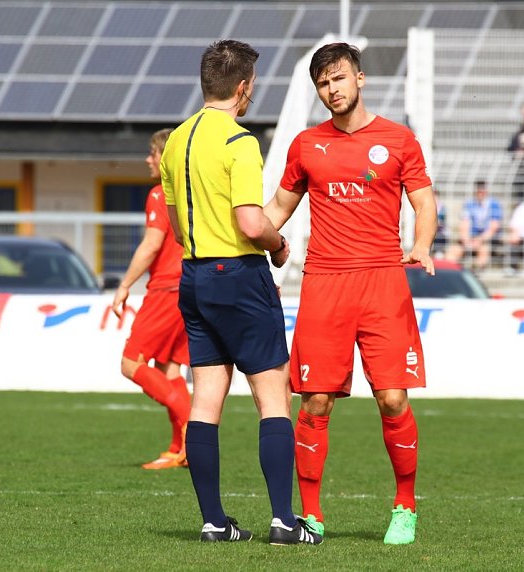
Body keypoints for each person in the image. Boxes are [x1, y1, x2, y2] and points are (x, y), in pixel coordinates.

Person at [264, 42, 436, 545]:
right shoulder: (305, 145)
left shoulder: (399, 140)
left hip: (383, 281)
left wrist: (421, 244)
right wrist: (246, 242)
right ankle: (310, 517)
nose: (331, 89)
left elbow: (424, 202)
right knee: (315, 402)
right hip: (324, 282)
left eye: (338, 78)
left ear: (359, 79)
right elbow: (278, 207)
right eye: (322, 83)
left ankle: (405, 505)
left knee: (392, 398)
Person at [161, 39, 321, 546]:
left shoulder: (174, 142)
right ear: (244, 87)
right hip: (240, 275)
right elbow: (252, 222)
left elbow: (175, 222)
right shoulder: (238, 141)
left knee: (206, 399)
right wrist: (278, 246)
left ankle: (214, 522)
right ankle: (283, 521)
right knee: (273, 395)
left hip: (194, 275)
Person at [111, 128, 190, 471]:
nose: (148, 159)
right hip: (190, 286)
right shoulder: (192, 194)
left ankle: (192, 428)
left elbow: (152, 244)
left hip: (167, 289)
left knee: (131, 363)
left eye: (153, 153)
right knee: (170, 370)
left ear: (166, 157)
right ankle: (180, 448)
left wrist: (125, 285)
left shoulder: (161, 195)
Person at [445, 179, 503, 270]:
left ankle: (475, 272)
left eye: (482, 191)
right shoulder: (469, 204)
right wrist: (466, 240)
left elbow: (493, 227)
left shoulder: (494, 204)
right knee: (453, 251)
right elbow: (464, 223)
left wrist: (479, 239)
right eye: (478, 191)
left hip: (485, 239)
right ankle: (449, 272)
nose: (480, 193)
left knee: (484, 250)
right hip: (471, 238)